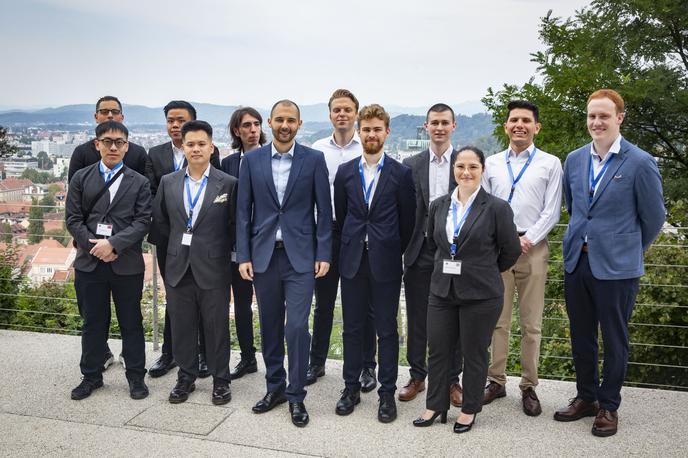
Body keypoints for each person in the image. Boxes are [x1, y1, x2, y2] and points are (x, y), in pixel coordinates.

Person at [555, 89, 665, 437]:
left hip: (618, 268)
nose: (596, 122)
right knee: (581, 336)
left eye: (604, 116)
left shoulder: (640, 162)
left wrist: (628, 248)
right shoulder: (573, 159)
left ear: (619, 117)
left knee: (614, 340)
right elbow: (575, 207)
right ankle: (586, 396)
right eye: (591, 116)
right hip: (578, 263)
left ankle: (608, 405)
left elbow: (654, 218)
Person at [237, 100, 332, 427]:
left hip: (301, 257)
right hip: (263, 256)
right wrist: (244, 255)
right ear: (270, 122)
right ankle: (274, 388)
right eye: (280, 119)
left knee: (296, 327)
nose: (285, 125)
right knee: (271, 326)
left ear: (299, 124)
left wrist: (323, 253)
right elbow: (242, 212)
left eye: (291, 120)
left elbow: (325, 211)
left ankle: (296, 396)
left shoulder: (314, 159)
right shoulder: (251, 160)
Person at [414, 146, 520, 433]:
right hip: (442, 291)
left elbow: (510, 251)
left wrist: (481, 269)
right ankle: (435, 404)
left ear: (482, 170)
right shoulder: (439, 205)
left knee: (474, 352)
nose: (466, 172)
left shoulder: (497, 208)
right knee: (437, 349)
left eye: (473, 167)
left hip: (481, 294)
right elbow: (433, 244)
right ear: (453, 170)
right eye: (460, 166)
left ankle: (470, 409)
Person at [333, 104, 416, 423]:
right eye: (366, 129)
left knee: (387, 330)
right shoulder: (345, 172)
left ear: (386, 132)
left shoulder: (400, 173)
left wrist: (389, 247)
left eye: (377, 129)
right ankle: (350, 388)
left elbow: (407, 221)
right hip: (353, 260)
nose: (371, 134)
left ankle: (386, 394)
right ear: (359, 129)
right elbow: (342, 217)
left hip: (386, 262)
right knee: (352, 328)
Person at [482, 100, 563, 416]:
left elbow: (552, 209)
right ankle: (496, 381)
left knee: (531, 324)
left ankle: (529, 386)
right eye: (513, 119)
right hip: (498, 251)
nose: (519, 125)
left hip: (534, 248)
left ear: (536, 127)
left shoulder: (550, 163)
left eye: (526, 120)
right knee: (497, 321)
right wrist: (505, 242)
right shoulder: (491, 163)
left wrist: (527, 239)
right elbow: (485, 207)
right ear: (505, 126)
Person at [152, 120, 238, 405]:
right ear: (183, 147)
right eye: (191, 144)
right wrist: (174, 253)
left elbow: (233, 226)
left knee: (216, 327)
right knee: (181, 325)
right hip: (178, 266)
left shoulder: (227, 184)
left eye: (202, 143)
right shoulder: (169, 182)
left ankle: (221, 380)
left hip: (213, 266)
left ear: (212, 147)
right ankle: (185, 378)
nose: (196, 148)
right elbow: (161, 224)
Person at [66, 120, 152, 400]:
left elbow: (142, 222)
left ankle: (136, 378)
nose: (113, 147)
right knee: (93, 321)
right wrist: (96, 246)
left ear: (127, 147)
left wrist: (113, 244)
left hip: (126, 263)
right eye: (107, 141)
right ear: (97, 144)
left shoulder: (139, 182)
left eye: (119, 142)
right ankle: (91, 376)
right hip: (90, 263)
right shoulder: (81, 178)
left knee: (132, 322)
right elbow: (73, 219)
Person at [307, 89, 378, 392]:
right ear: (330, 114)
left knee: (362, 305)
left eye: (347, 110)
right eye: (337, 110)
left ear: (356, 113)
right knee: (323, 304)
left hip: (357, 236)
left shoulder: (368, 147)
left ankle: (367, 367)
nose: (342, 115)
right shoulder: (317, 148)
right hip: (325, 233)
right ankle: (316, 362)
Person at [145, 100, 221, 379]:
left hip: (204, 243)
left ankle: (201, 354)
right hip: (171, 241)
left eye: (181, 120)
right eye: (170, 120)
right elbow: (153, 197)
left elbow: (217, 192)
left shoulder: (208, 151)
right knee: (176, 301)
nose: (175, 125)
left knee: (202, 298)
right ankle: (170, 354)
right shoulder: (155, 154)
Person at [401, 103, 463, 406]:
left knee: (454, 317)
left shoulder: (464, 164)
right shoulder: (411, 164)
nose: (439, 128)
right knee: (417, 317)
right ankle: (417, 375)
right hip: (418, 251)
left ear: (453, 126)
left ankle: (452, 380)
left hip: (452, 251)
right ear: (426, 127)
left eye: (444, 123)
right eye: (433, 123)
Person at [220, 107, 266, 380]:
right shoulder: (228, 164)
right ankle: (247, 356)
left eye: (256, 124)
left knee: (269, 305)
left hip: (265, 243)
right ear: (237, 131)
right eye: (246, 125)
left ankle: (274, 357)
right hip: (236, 245)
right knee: (240, 304)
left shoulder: (271, 157)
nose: (252, 129)